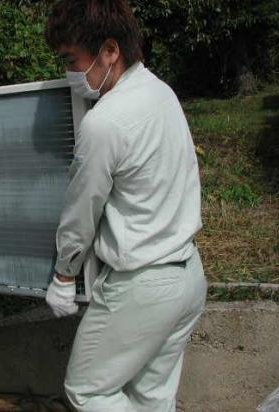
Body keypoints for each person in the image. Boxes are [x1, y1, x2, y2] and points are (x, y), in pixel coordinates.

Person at [43, 1, 208, 411]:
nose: (68, 72)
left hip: (143, 285)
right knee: (152, 396)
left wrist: (64, 275)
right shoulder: (161, 92)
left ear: (110, 50)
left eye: (71, 60)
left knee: (88, 390)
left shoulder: (105, 121)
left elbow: (82, 209)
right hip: (188, 274)